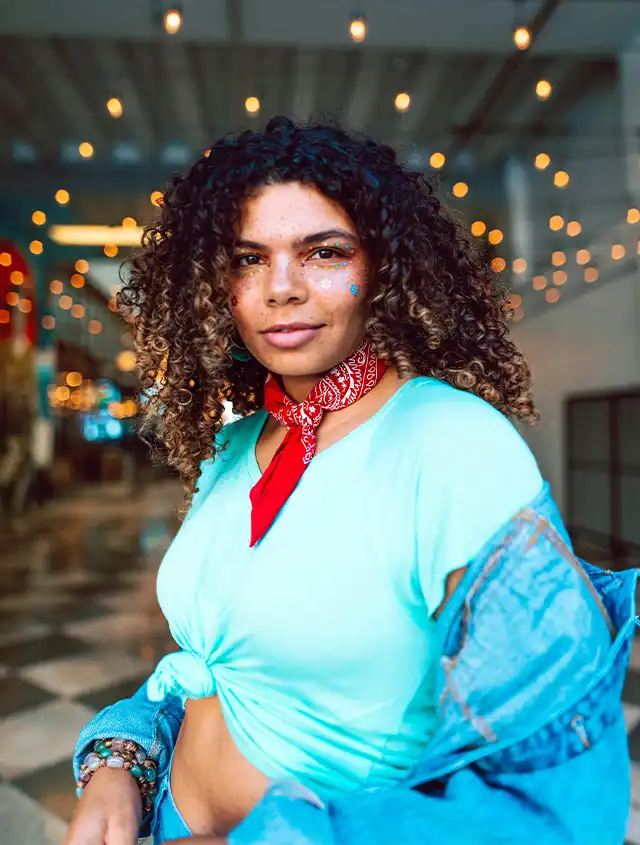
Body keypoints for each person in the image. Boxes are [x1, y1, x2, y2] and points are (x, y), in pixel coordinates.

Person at [66, 117, 636, 845]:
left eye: (323, 252)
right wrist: (121, 761)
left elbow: (556, 813)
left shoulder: (455, 446)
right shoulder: (234, 448)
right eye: (247, 259)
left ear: (384, 272)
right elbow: (217, 673)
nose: (281, 289)